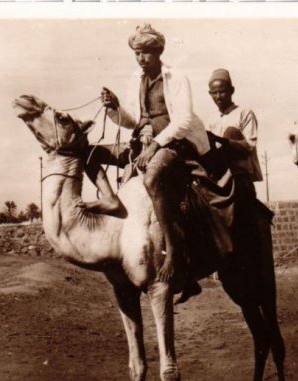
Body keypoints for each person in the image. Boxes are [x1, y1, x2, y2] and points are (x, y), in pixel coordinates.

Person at [89, 24, 211, 282]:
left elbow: (184, 120)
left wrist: (156, 145)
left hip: (176, 143)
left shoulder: (175, 77)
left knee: (152, 177)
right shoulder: (136, 79)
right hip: (144, 142)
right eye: (137, 53)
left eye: (146, 53)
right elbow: (133, 120)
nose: (141, 59)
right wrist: (114, 108)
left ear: (159, 51)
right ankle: (110, 201)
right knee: (90, 154)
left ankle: (174, 250)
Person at [206, 68, 264, 207]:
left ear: (232, 90)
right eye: (214, 93)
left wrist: (223, 141)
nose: (218, 96)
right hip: (219, 174)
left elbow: (249, 145)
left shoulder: (244, 113)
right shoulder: (211, 121)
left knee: (231, 131)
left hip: (239, 175)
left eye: (222, 91)